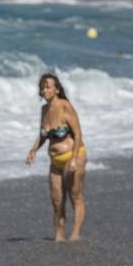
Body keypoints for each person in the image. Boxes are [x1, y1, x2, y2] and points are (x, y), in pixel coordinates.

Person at [25, 72, 86, 241]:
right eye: (42, 87)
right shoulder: (44, 110)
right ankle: (59, 236)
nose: (44, 90)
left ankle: (75, 234)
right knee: (57, 199)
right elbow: (43, 134)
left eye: (48, 87)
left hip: (73, 155)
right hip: (55, 161)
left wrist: (74, 159)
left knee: (75, 195)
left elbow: (78, 133)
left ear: (57, 89)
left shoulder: (65, 106)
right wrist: (33, 150)